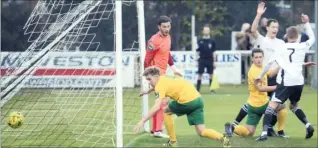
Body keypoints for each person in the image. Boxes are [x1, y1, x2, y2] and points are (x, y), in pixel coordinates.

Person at [231, 2, 289, 138]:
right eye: (273, 26)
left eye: (277, 27)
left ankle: (276, 131)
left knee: (278, 106)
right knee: (259, 104)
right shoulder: (262, 40)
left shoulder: (281, 43)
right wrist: (258, 15)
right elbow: (253, 29)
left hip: (275, 76)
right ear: (267, 28)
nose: (275, 29)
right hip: (262, 76)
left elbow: (285, 59)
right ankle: (264, 129)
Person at [134, 67, 230, 147]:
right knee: (202, 131)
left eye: (149, 79)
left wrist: (143, 120)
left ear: (156, 76)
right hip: (198, 100)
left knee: (166, 111)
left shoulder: (160, 86)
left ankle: (173, 141)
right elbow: (174, 79)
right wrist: (148, 91)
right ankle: (224, 139)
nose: (148, 82)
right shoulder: (164, 77)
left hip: (187, 101)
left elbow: (156, 107)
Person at [255, 13, 315, 141]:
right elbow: (312, 38)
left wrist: (260, 76)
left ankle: (264, 134)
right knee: (293, 105)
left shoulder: (281, 47)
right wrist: (307, 23)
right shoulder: (302, 46)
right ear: (298, 36)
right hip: (299, 82)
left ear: (287, 36)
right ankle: (308, 125)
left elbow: (270, 63)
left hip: (286, 82)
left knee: (272, 106)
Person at [225, 49, 280, 137]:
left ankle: (232, 128)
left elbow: (271, 73)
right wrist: (277, 87)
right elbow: (260, 88)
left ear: (263, 58)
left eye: (260, 57)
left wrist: (281, 65)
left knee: (249, 132)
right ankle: (274, 130)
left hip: (252, 106)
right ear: (252, 59)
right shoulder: (254, 71)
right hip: (263, 104)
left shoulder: (262, 67)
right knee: (282, 106)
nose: (258, 59)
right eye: (256, 57)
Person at [144, 15, 182, 138]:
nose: (166, 29)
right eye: (164, 27)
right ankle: (157, 130)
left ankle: (155, 129)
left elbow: (167, 54)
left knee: (160, 101)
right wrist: (149, 76)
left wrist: (174, 69)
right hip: (156, 75)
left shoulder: (168, 37)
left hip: (163, 74)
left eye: (168, 26)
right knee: (163, 101)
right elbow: (147, 59)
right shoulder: (153, 41)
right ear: (159, 27)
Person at [196, 25, 216, 93]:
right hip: (202, 60)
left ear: (209, 31)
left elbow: (214, 52)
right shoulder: (200, 41)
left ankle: (212, 90)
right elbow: (197, 51)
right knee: (199, 74)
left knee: (211, 75)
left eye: (207, 30)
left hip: (210, 60)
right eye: (205, 30)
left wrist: (214, 62)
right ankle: (197, 90)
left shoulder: (212, 41)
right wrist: (196, 60)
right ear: (203, 31)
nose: (206, 31)